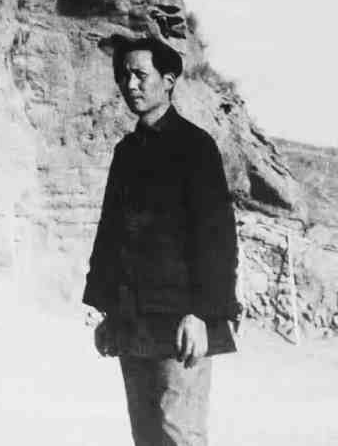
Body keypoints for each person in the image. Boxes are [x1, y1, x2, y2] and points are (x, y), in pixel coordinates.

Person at [83, 34, 240, 446]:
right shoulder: (126, 151)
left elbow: (217, 239)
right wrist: (108, 310)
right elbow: (111, 233)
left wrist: (202, 314)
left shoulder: (195, 147)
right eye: (124, 76)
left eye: (140, 74)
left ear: (168, 81)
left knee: (178, 432)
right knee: (147, 434)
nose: (130, 84)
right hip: (134, 318)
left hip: (181, 322)